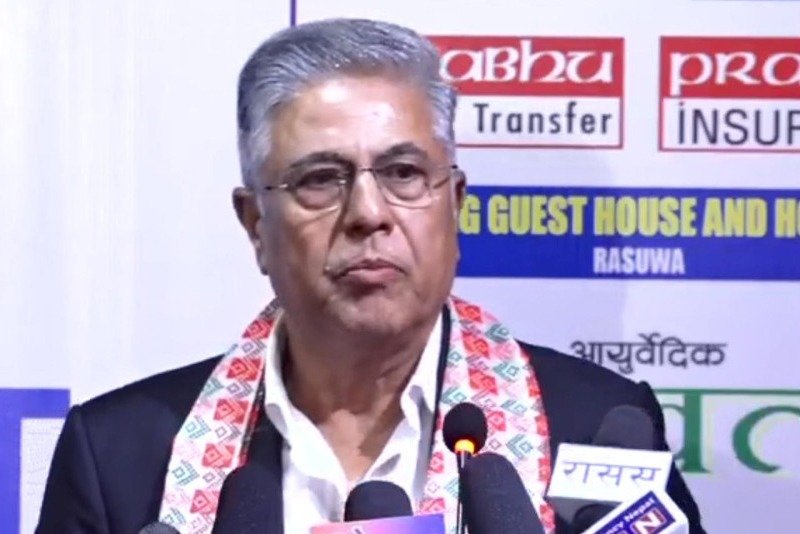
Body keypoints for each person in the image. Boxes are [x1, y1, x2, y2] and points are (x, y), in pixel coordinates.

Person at [37, 18, 704, 534]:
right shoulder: (118, 454)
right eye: (320, 179)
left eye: (403, 173)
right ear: (255, 225)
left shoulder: (594, 425)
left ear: (454, 205)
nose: (368, 213)